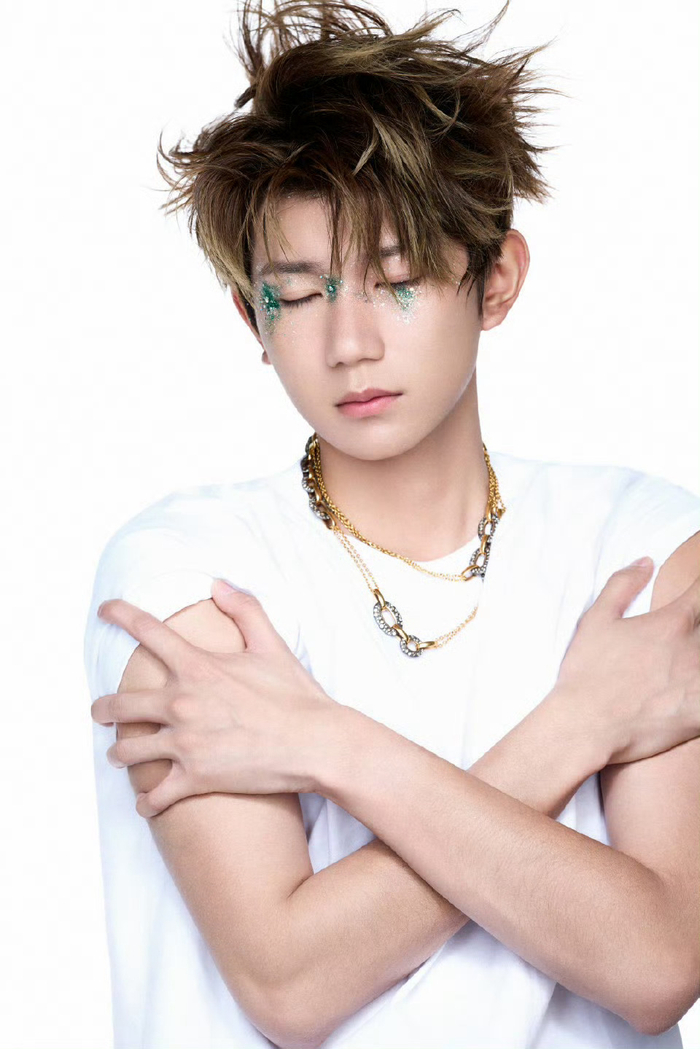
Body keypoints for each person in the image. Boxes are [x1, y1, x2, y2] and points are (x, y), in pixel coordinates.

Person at [83, 2, 700, 1047]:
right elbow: (289, 979)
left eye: (397, 279)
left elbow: (656, 965)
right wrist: (578, 725)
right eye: (297, 295)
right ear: (251, 317)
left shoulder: (642, 549)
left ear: (495, 279)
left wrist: (321, 742)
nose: (349, 342)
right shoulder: (188, 575)